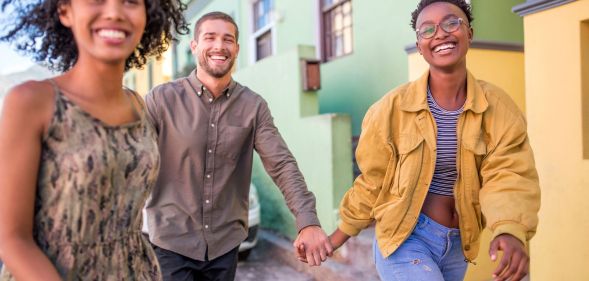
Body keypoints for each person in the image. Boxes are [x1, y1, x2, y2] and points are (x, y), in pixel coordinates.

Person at [316, 1, 541, 281]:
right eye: (428, 29)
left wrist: (509, 229)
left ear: (469, 32)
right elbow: (373, 181)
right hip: (405, 239)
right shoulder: (390, 109)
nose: (441, 34)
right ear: (420, 45)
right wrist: (337, 237)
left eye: (451, 23)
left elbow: (509, 173)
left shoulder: (498, 108)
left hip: (458, 246)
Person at [0, 0, 187, 280]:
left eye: (130, 2)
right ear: (65, 11)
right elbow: (12, 240)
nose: (114, 11)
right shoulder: (31, 102)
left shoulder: (138, 105)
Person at [143, 11, 332, 281]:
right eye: (210, 37)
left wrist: (308, 221)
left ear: (237, 49)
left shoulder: (253, 107)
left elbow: (281, 164)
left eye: (227, 39)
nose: (219, 46)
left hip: (224, 246)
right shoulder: (161, 100)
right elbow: (133, 163)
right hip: (171, 244)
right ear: (194, 46)